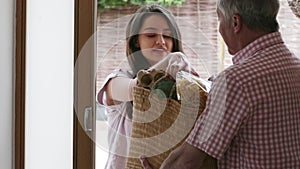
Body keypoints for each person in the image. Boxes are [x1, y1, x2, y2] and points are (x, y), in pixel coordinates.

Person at [140, 0, 300, 168]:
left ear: (235, 23)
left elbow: (188, 160)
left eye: (220, 19)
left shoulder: (236, 81)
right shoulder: (296, 67)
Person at [97, 4, 195, 169]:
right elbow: (137, 88)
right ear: (136, 42)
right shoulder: (118, 79)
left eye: (168, 36)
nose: (161, 41)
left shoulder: (183, 88)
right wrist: (173, 59)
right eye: (151, 35)